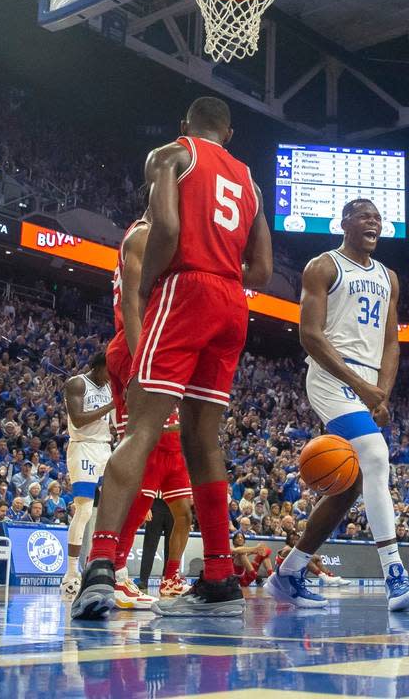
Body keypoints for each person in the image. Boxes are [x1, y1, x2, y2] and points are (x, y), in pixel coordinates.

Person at [71, 96, 272, 620]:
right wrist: (223, 267)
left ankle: (99, 568)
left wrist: (156, 282)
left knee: (140, 428)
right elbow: (263, 271)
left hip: (187, 290)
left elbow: (166, 231)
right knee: (204, 439)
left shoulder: (172, 155)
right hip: (234, 303)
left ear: (185, 125)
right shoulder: (249, 180)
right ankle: (221, 576)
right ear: (229, 134)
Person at [267, 199, 409, 611]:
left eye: (378, 217)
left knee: (350, 484)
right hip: (331, 376)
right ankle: (395, 574)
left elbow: (392, 341)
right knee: (375, 453)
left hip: (368, 382)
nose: (374, 222)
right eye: (365, 216)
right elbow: (310, 335)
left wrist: (381, 392)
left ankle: (289, 572)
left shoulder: (390, 277)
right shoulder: (324, 266)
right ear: (344, 223)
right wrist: (362, 387)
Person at [106, 206, 195, 604]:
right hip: (136, 352)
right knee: (138, 476)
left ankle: (157, 576)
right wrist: (146, 363)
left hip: (149, 352)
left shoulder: (147, 236)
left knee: (175, 503)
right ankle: (111, 567)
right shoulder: (143, 235)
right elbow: (132, 304)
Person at [60, 352, 114, 596]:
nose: (111, 375)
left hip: (105, 448)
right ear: (98, 366)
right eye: (108, 370)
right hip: (83, 447)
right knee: (83, 510)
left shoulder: (109, 386)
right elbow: (78, 420)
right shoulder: (77, 383)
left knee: (109, 510)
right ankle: (71, 572)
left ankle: (106, 568)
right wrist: (113, 404)